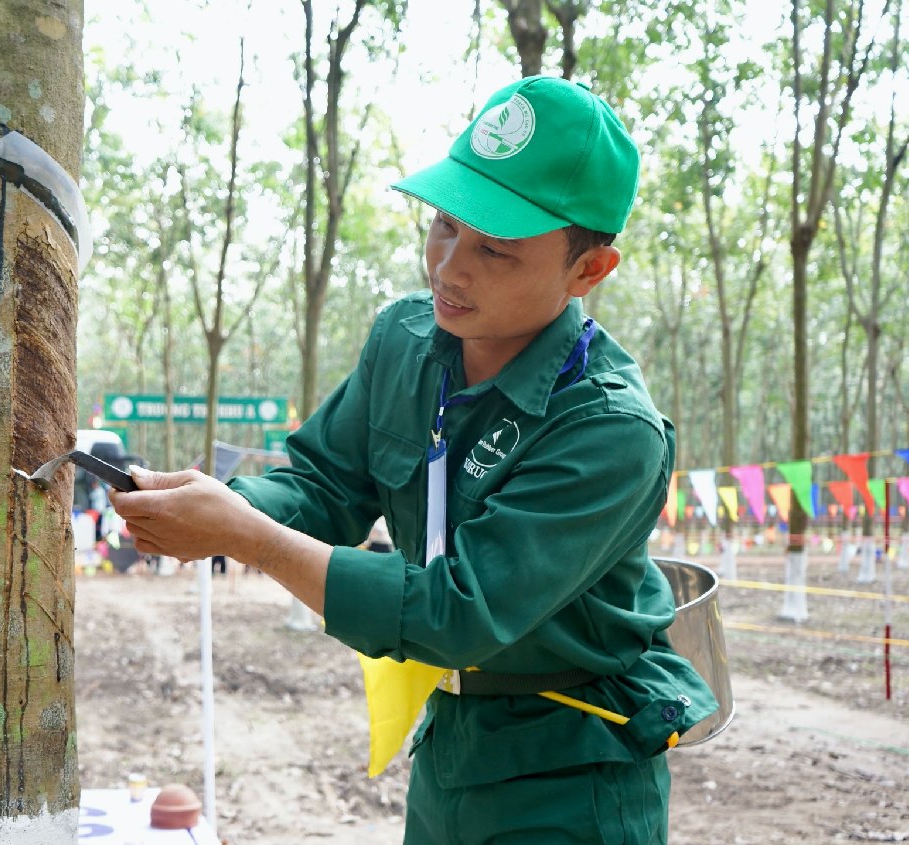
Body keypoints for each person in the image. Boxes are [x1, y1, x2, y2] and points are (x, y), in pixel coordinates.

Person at [110, 75, 716, 845]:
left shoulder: (610, 429)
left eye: (495, 249)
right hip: (452, 749)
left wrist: (246, 535)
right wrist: (218, 504)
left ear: (587, 271)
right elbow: (325, 480)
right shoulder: (406, 342)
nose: (450, 267)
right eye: (444, 225)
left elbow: (457, 612)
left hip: (574, 774)